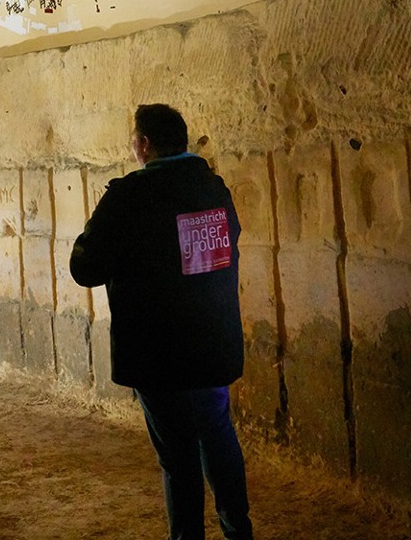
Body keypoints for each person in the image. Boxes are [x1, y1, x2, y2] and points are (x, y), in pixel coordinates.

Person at [70, 104, 253, 540]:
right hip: (212, 341)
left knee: (178, 455)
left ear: (145, 143)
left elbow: (86, 268)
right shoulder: (214, 187)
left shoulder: (130, 195)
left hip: (160, 351)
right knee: (218, 435)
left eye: (134, 138)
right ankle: (238, 531)